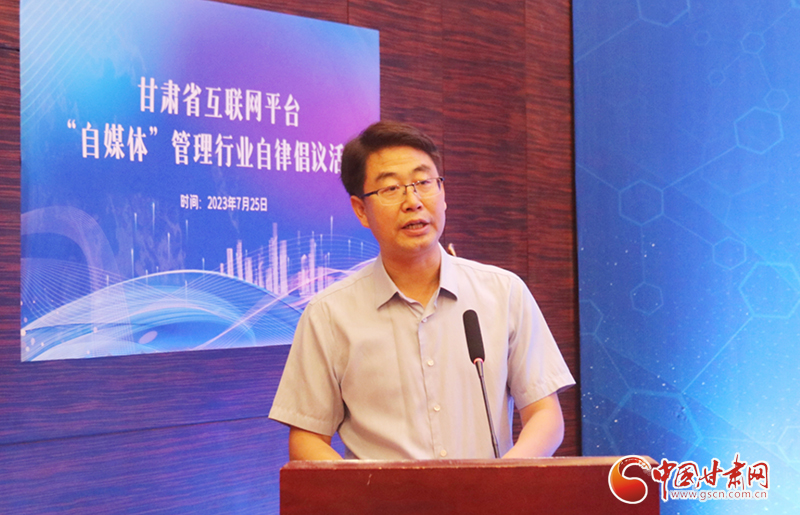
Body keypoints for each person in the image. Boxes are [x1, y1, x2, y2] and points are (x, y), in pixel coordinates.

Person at [269, 121, 574, 460]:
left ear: (443, 194)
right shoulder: (329, 314)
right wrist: (367, 489)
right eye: (390, 188)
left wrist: (503, 479)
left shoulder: (504, 293)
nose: (413, 201)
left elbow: (545, 415)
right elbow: (307, 439)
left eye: (424, 182)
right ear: (361, 210)